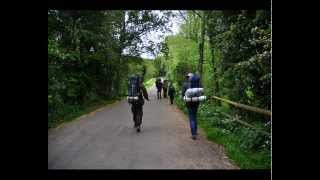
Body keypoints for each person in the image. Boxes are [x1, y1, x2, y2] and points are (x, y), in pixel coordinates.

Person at [182, 73, 201, 140]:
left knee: (191, 117)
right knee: (195, 116)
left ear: (187, 78)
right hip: (196, 102)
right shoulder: (197, 85)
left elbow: (183, 95)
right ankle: (195, 132)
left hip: (189, 103)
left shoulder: (185, 84)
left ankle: (193, 134)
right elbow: (201, 93)